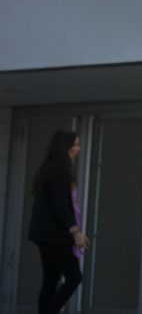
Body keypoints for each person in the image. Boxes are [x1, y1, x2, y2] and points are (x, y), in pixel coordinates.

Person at [28, 129, 89, 314]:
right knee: (74, 277)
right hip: (54, 235)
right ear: (66, 148)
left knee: (50, 281)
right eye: (76, 145)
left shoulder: (50, 169)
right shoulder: (59, 171)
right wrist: (75, 231)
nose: (78, 149)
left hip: (45, 235)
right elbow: (61, 205)